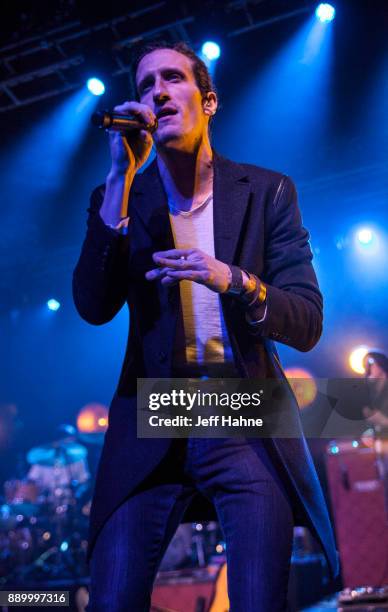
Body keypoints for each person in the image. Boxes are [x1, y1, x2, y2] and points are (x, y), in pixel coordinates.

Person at [73, 41, 338, 611]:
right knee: (113, 599)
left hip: (241, 407)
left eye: (172, 79)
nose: (157, 93)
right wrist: (119, 179)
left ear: (208, 100)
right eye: (145, 86)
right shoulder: (119, 196)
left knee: (257, 599)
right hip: (157, 409)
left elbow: (308, 322)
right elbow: (93, 305)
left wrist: (235, 279)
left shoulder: (267, 192)